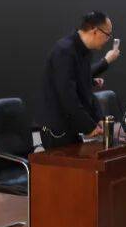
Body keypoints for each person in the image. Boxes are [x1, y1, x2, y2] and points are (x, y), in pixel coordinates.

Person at [37, 11, 121, 149]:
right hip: (57, 129)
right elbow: (67, 96)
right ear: (95, 31)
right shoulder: (64, 50)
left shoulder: (85, 51)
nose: (108, 39)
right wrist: (89, 127)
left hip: (72, 125)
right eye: (107, 34)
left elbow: (85, 89)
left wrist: (98, 119)